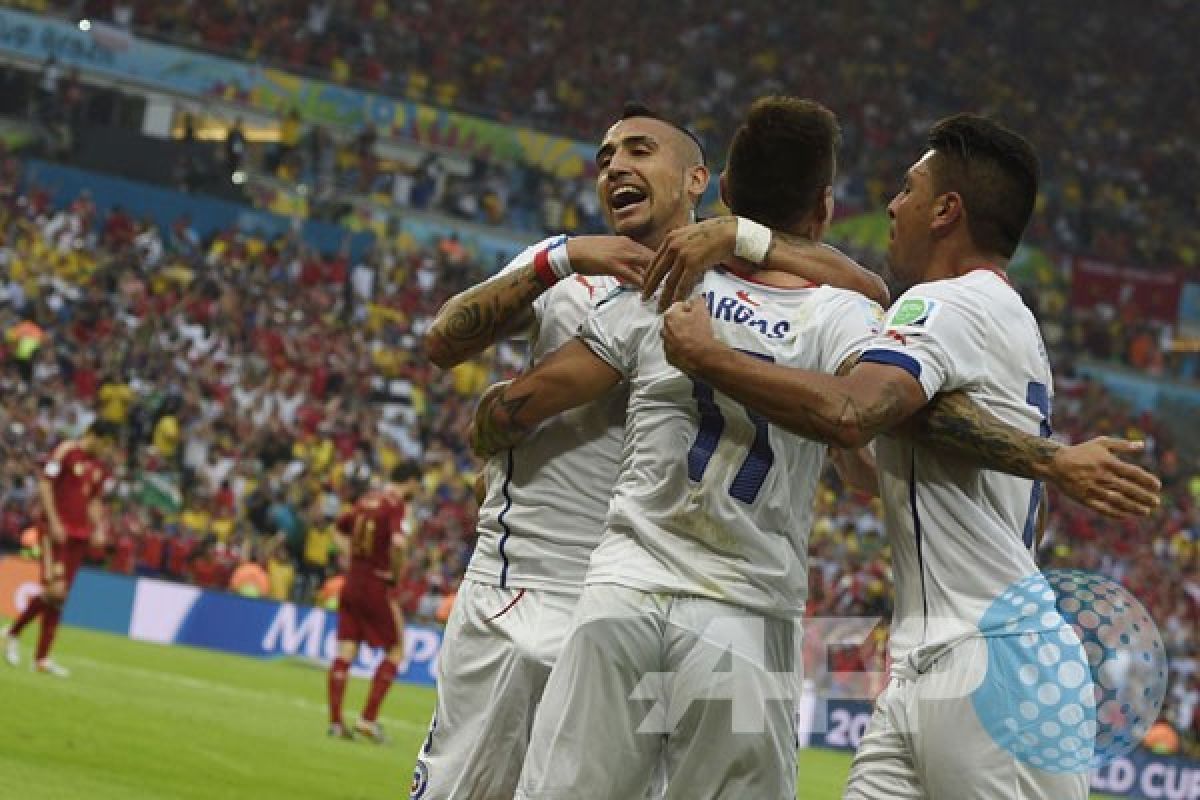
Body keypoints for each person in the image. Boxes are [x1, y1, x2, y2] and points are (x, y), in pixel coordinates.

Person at [657, 113, 1162, 799]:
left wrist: (708, 356)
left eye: (908, 189)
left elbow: (849, 409)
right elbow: (869, 450)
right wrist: (742, 237)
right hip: (934, 662)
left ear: (947, 210)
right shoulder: (985, 313)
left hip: (995, 665)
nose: (893, 206)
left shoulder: (949, 306)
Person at [412, 102, 884, 800]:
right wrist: (564, 254)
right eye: (605, 157)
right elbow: (442, 345)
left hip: (622, 595)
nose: (616, 167)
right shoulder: (568, 274)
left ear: (704, 181)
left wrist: (736, 242)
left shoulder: (684, 292)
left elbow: (497, 414)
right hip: (536, 587)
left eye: (638, 151)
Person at [4, 421, 117, 677]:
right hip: (56, 531)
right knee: (55, 589)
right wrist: (53, 520)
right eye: (106, 445)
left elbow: (94, 500)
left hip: (79, 536)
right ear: (93, 436)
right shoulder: (66, 451)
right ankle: (12, 634)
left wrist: (99, 528)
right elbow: (45, 484)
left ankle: (40, 658)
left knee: (59, 597)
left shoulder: (99, 466)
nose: (107, 451)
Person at [326, 463, 421, 743]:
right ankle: (368, 719)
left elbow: (338, 530)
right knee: (396, 649)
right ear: (411, 481)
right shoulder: (395, 505)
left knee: (346, 650)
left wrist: (353, 558)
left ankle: (335, 723)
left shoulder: (366, 500)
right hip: (376, 584)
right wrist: (394, 573)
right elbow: (399, 544)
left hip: (351, 581)